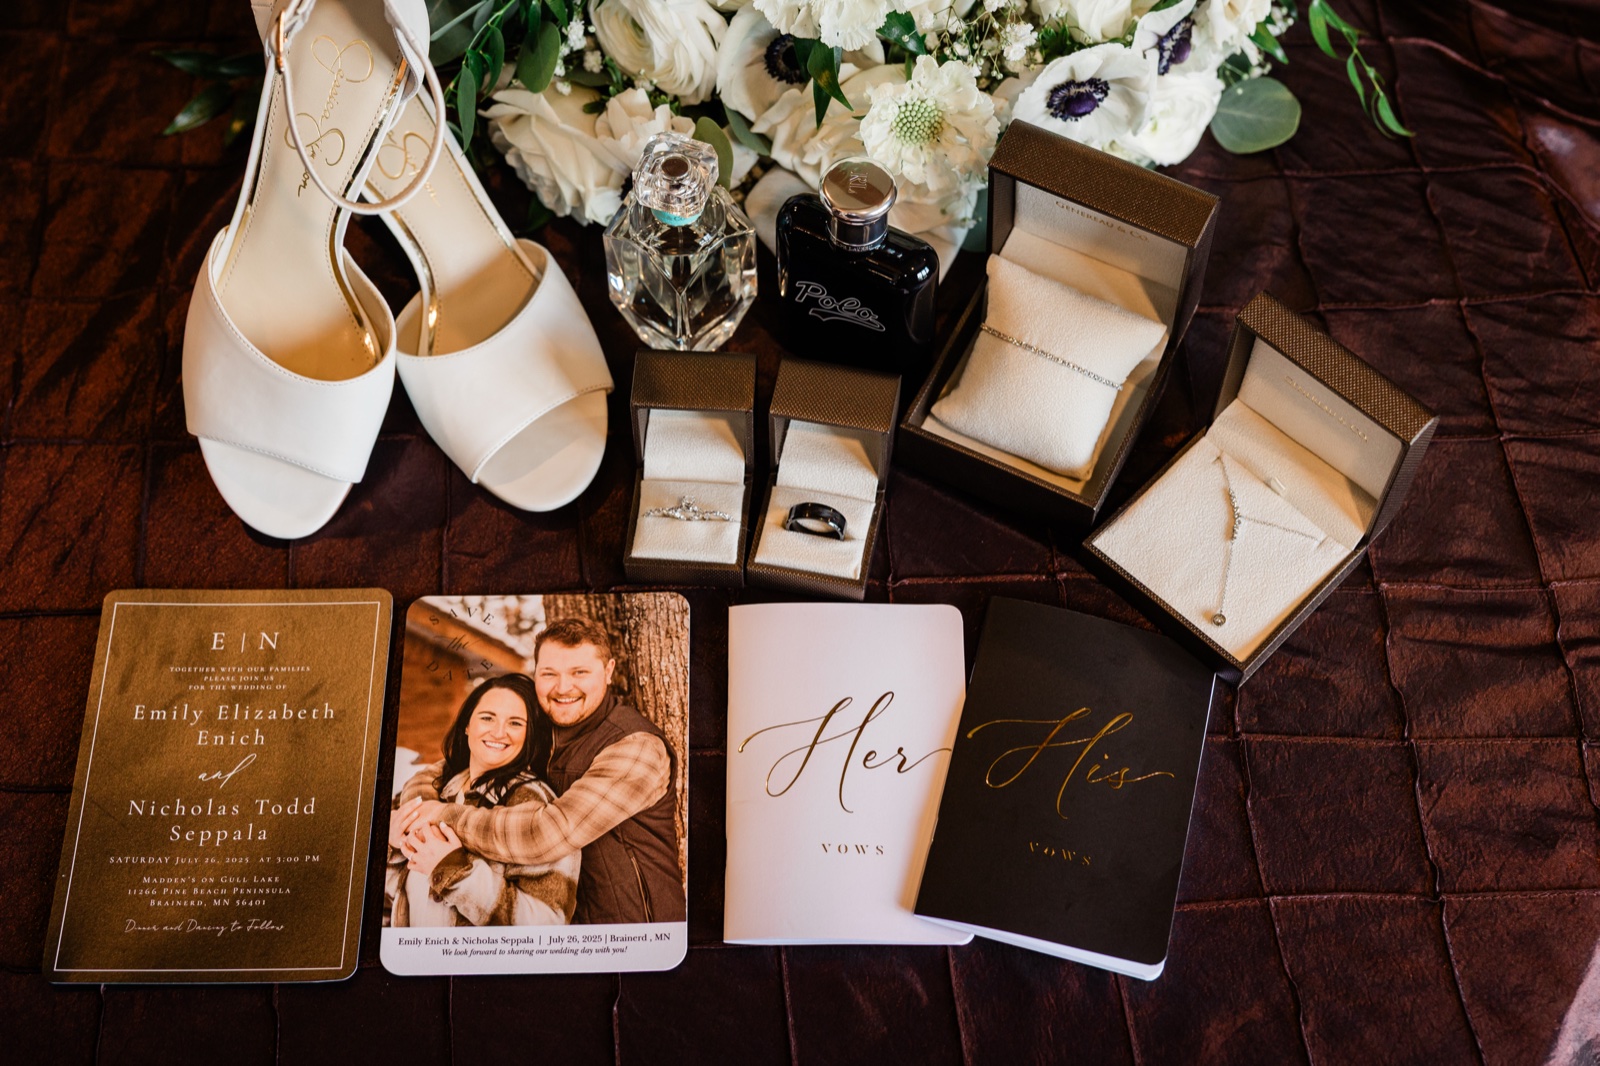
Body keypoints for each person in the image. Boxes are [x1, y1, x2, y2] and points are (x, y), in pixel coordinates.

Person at [394, 617, 685, 924]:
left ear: (609, 671)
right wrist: (415, 814)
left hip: (634, 930)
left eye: (579, 673)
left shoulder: (637, 748)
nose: (563, 687)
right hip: (571, 936)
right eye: (549, 674)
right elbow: (452, 767)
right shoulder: (540, 729)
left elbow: (547, 833)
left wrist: (441, 816)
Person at [386, 673, 579, 927]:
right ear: (467, 724)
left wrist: (456, 872)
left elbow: (546, 925)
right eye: (487, 718)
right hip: (415, 963)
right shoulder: (434, 791)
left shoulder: (532, 804)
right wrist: (388, 846)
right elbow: (395, 897)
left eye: (515, 723)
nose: (499, 732)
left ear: (530, 734)